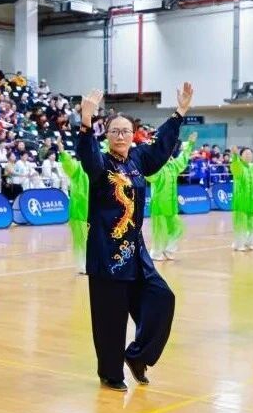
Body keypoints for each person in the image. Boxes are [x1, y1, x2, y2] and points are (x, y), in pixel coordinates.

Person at [77, 84, 194, 391]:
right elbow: (88, 158)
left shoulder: (137, 160)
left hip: (136, 252)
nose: (120, 136)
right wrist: (86, 121)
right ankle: (111, 373)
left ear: (133, 135)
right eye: (115, 131)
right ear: (106, 135)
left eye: (126, 131)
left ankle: (138, 356)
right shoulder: (101, 163)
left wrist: (179, 113)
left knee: (162, 298)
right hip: (107, 253)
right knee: (110, 318)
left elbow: (161, 147)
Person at [146, 132, 196, 261]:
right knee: (160, 232)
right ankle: (156, 253)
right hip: (159, 206)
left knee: (178, 228)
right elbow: (149, 176)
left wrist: (190, 144)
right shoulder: (156, 167)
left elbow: (183, 158)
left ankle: (168, 250)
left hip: (172, 206)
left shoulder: (173, 166)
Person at [229, 140, 253, 251]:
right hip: (241, 201)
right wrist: (235, 156)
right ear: (241, 156)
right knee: (240, 223)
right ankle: (239, 244)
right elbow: (235, 164)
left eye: (250, 154)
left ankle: (250, 242)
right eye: (246, 154)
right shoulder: (238, 167)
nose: (248, 155)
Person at [59, 143, 88, 274]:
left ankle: (91, 264)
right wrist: (62, 151)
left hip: (93, 210)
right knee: (80, 240)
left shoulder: (98, 167)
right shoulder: (78, 167)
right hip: (80, 211)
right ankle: (82, 265)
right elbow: (68, 164)